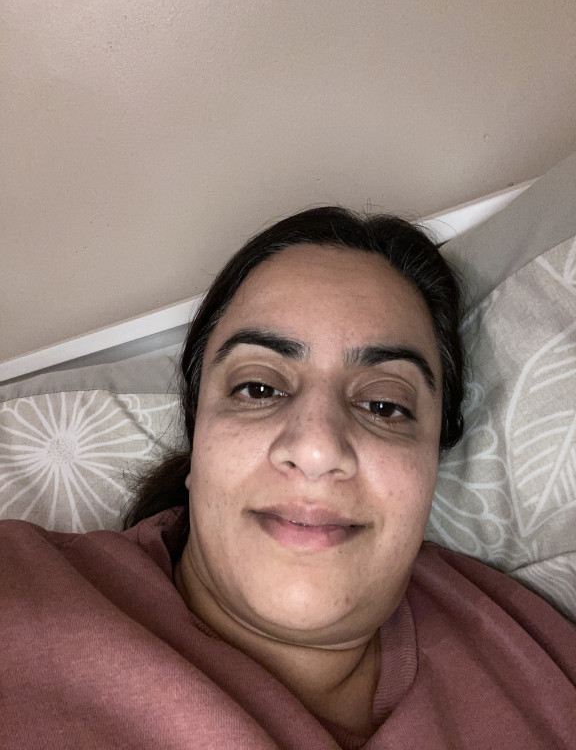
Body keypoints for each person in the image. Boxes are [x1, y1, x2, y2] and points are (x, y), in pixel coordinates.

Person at [1, 207, 575, 750]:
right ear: (197, 439)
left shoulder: (540, 656)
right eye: (258, 389)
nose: (317, 448)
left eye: (383, 405)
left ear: (433, 460)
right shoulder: (21, 595)